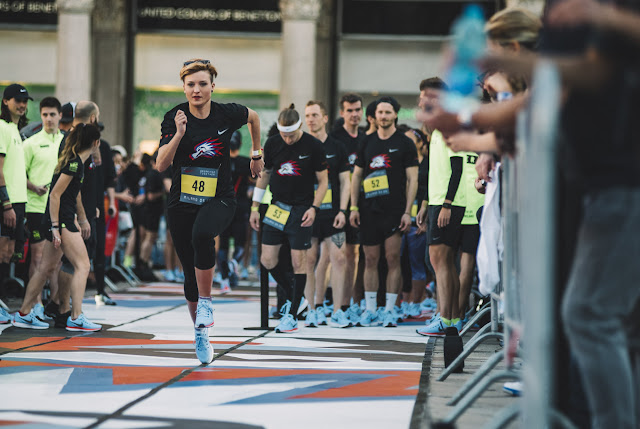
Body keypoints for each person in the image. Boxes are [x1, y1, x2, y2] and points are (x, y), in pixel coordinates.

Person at [156, 58, 263, 364]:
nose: (197, 90)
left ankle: (206, 301)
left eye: (202, 84)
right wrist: (179, 134)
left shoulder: (226, 113)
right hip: (182, 201)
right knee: (189, 273)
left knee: (203, 234)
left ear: (212, 86)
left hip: (221, 198)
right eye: (191, 84)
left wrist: (256, 153)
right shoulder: (173, 117)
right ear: (184, 88)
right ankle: (201, 333)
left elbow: (254, 117)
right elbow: (161, 165)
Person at [12, 124, 102, 331]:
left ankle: (24, 313)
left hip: (62, 220)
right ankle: (76, 317)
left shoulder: (75, 162)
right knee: (83, 265)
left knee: (46, 268)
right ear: (95, 143)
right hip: (61, 221)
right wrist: (55, 226)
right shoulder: (74, 164)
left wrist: (78, 218)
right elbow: (55, 195)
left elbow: (70, 194)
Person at [250, 104, 328, 333]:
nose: (288, 140)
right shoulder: (273, 143)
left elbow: (323, 181)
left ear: (299, 127)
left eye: (291, 135)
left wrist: (314, 208)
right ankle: (297, 295)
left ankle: (292, 315)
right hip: (277, 207)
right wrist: (255, 207)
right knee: (267, 259)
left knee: (298, 261)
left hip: (301, 208)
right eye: (284, 135)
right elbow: (264, 175)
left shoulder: (313, 145)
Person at [349, 96, 419, 328]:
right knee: (370, 259)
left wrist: (407, 211)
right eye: (380, 112)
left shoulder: (405, 143)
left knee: (392, 258)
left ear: (395, 115)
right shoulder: (366, 141)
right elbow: (356, 176)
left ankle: (389, 309)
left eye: (388, 112)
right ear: (374, 116)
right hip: (369, 210)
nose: (384, 116)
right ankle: (370, 309)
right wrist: (353, 207)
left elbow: (413, 179)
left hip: (395, 210)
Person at [415, 78, 467, 336]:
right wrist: (427, 203)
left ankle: (447, 319)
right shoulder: (436, 129)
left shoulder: (449, 126)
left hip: (449, 204)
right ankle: (451, 318)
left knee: (441, 262)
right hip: (438, 202)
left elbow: (458, 168)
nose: (422, 101)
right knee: (443, 263)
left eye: (426, 96)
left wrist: (447, 204)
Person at [303, 100, 351, 328]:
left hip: (333, 215)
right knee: (309, 260)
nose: (310, 120)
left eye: (314, 115)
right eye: (307, 116)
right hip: (309, 214)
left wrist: (343, 210)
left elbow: (346, 181)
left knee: (339, 258)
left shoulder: (337, 147)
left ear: (324, 118)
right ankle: (312, 310)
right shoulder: (302, 145)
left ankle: (338, 310)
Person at [23, 96, 64, 319]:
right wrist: (33, 186)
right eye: (45, 115)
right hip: (36, 207)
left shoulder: (67, 142)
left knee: (57, 261)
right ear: (41, 116)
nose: (49, 118)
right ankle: (36, 304)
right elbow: (17, 173)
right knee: (38, 258)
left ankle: (56, 305)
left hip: (61, 209)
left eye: (52, 114)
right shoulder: (30, 143)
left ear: (60, 116)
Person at [330, 93, 366, 324]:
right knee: (337, 254)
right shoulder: (335, 139)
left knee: (355, 255)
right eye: (349, 110)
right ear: (342, 112)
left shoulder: (366, 138)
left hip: (361, 204)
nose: (354, 114)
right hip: (337, 207)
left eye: (357, 110)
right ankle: (332, 303)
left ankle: (349, 303)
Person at [0, 84, 30, 294]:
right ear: (5, 101)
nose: (22, 105)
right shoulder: (2, 127)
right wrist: (6, 204)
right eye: (17, 100)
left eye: (25, 101)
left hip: (19, 201)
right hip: (8, 202)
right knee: (2, 250)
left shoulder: (15, 130)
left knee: (9, 252)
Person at [217, 130, 252, 293]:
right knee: (240, 243)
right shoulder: (246, 163)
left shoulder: (220, 161)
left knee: (223, 245)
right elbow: (257, 178)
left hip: (223, 207)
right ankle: (235, 263)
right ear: (241, 143)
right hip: (241, 206)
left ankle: (224, 281)